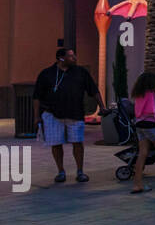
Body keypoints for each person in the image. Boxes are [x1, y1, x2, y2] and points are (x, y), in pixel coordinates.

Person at [34, 47, 105, 184]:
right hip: (53, 114)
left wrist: (102, 106)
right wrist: (36, 116)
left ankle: (80, 171)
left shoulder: (81, 72)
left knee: (77, 142)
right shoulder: (47, 74)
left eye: (74, 56)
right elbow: (37, 96)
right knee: (56, 143)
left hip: (75, 113)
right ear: (61, 59)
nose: (75, 58)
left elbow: (93, 90)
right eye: (71, 56)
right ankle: (60, 171)